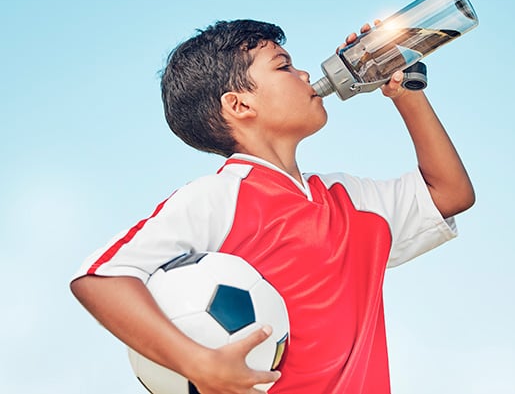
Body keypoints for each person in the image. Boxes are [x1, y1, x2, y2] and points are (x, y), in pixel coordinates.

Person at [70, 19, 474, 394]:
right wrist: (198, 363)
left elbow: (450, 193)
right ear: (240, 105)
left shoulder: (349, 199)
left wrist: (406, 92)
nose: (303, 75)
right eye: (283, 67)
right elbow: (101, 277)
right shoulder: (220, 197)